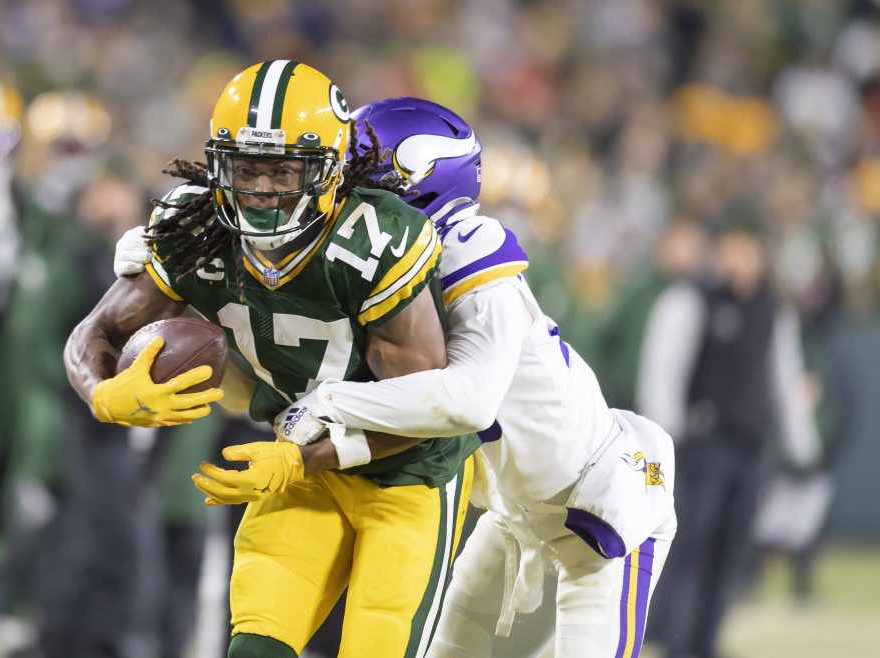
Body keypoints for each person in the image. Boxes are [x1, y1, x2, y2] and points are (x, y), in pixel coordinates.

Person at [116, 96, 678, 658]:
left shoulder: (462, 251)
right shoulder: (369, 261)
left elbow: (468, 401)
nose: (338, 189)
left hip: (602, 498)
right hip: (514, 518)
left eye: (358, 172)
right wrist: (173, 249)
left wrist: (329, 403)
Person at [65, 61, 477, 658]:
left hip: (407, 474)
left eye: (283, 169)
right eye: (245, 168)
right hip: (295, 455)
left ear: (331, 169)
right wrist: (102, 393)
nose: (259, 190)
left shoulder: (376, 241)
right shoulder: (196, 225)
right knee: (256, 646)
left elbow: (419, 409)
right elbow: (94, 332)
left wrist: (304, 459)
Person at [636, 216, 820, 658]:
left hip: (750, 450)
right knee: (690, 549)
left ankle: (706, 643)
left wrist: (803, 448)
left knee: (729, 554)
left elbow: (785, 378)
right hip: (701, 449)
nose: (740, 261)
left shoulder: (772, 310)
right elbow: (661, 373)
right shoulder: (688, 300)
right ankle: (677, 643)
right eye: (732, 249)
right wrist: (667, 439)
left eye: (748, 250)